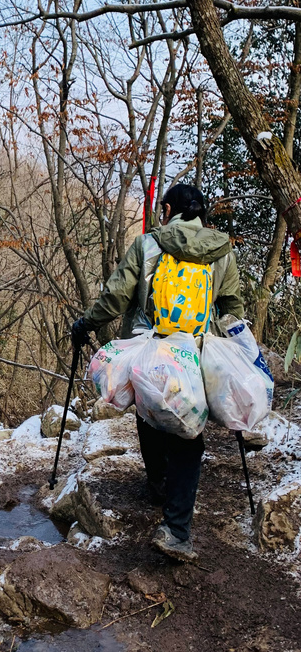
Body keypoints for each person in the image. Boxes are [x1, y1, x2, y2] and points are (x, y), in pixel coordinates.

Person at [71, 183, 244, 562]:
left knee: (149, 410)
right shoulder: (221, 251)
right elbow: (232, 308)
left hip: (149, 349)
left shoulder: (148, 244)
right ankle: (176, 527)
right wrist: (240, 354)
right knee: (187, 430)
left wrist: (86, 323)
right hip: (193, 353)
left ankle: (160, 485)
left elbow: (116, 296)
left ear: (168, 211)